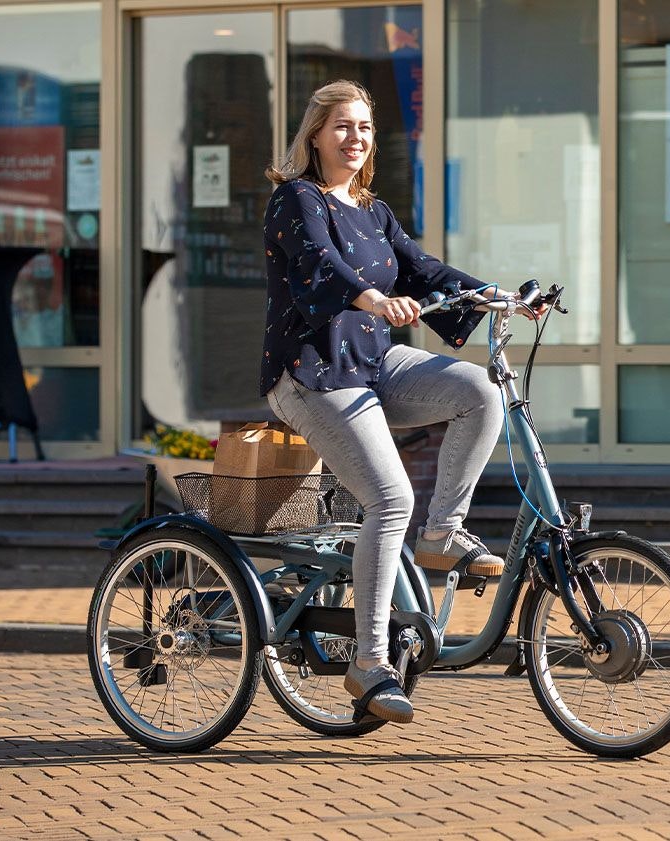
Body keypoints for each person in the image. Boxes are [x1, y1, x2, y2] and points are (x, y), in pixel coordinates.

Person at [262, 80, 517, 724]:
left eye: (366, 129)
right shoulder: (295, 200)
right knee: (391, 497)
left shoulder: (373, 212)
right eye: (343, 126)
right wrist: (373, 299)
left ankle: (441, 534)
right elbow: (319, 266)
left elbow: (422, 269)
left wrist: (492, 296)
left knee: (479, 391)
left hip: (372, 363)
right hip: (313, 371)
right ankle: (369, 662)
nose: (356, 138)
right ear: (315, 135)